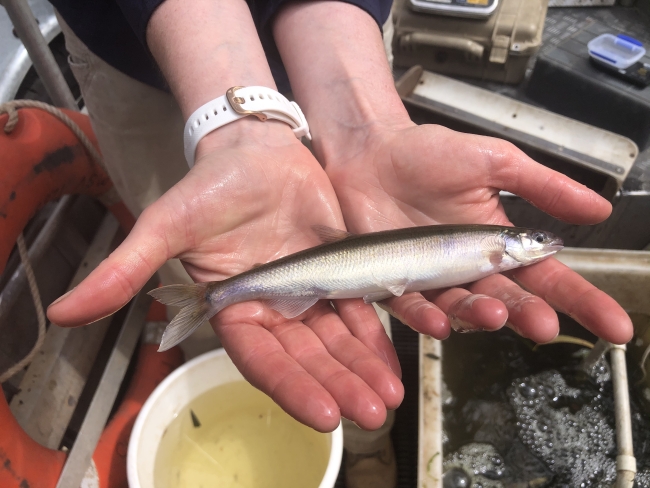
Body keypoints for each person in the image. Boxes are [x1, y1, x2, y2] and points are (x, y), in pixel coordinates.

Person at [45, 0, 633, 485]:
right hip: (142, 48)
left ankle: (359, 440)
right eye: (529, 240)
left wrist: (362, 118)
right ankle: (214, 334)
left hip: (347, 31)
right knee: (211, 261)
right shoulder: (493, 242)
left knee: (351, 361)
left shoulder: (491, 243)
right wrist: (231, 133)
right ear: (510, 241)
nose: (536, 245)